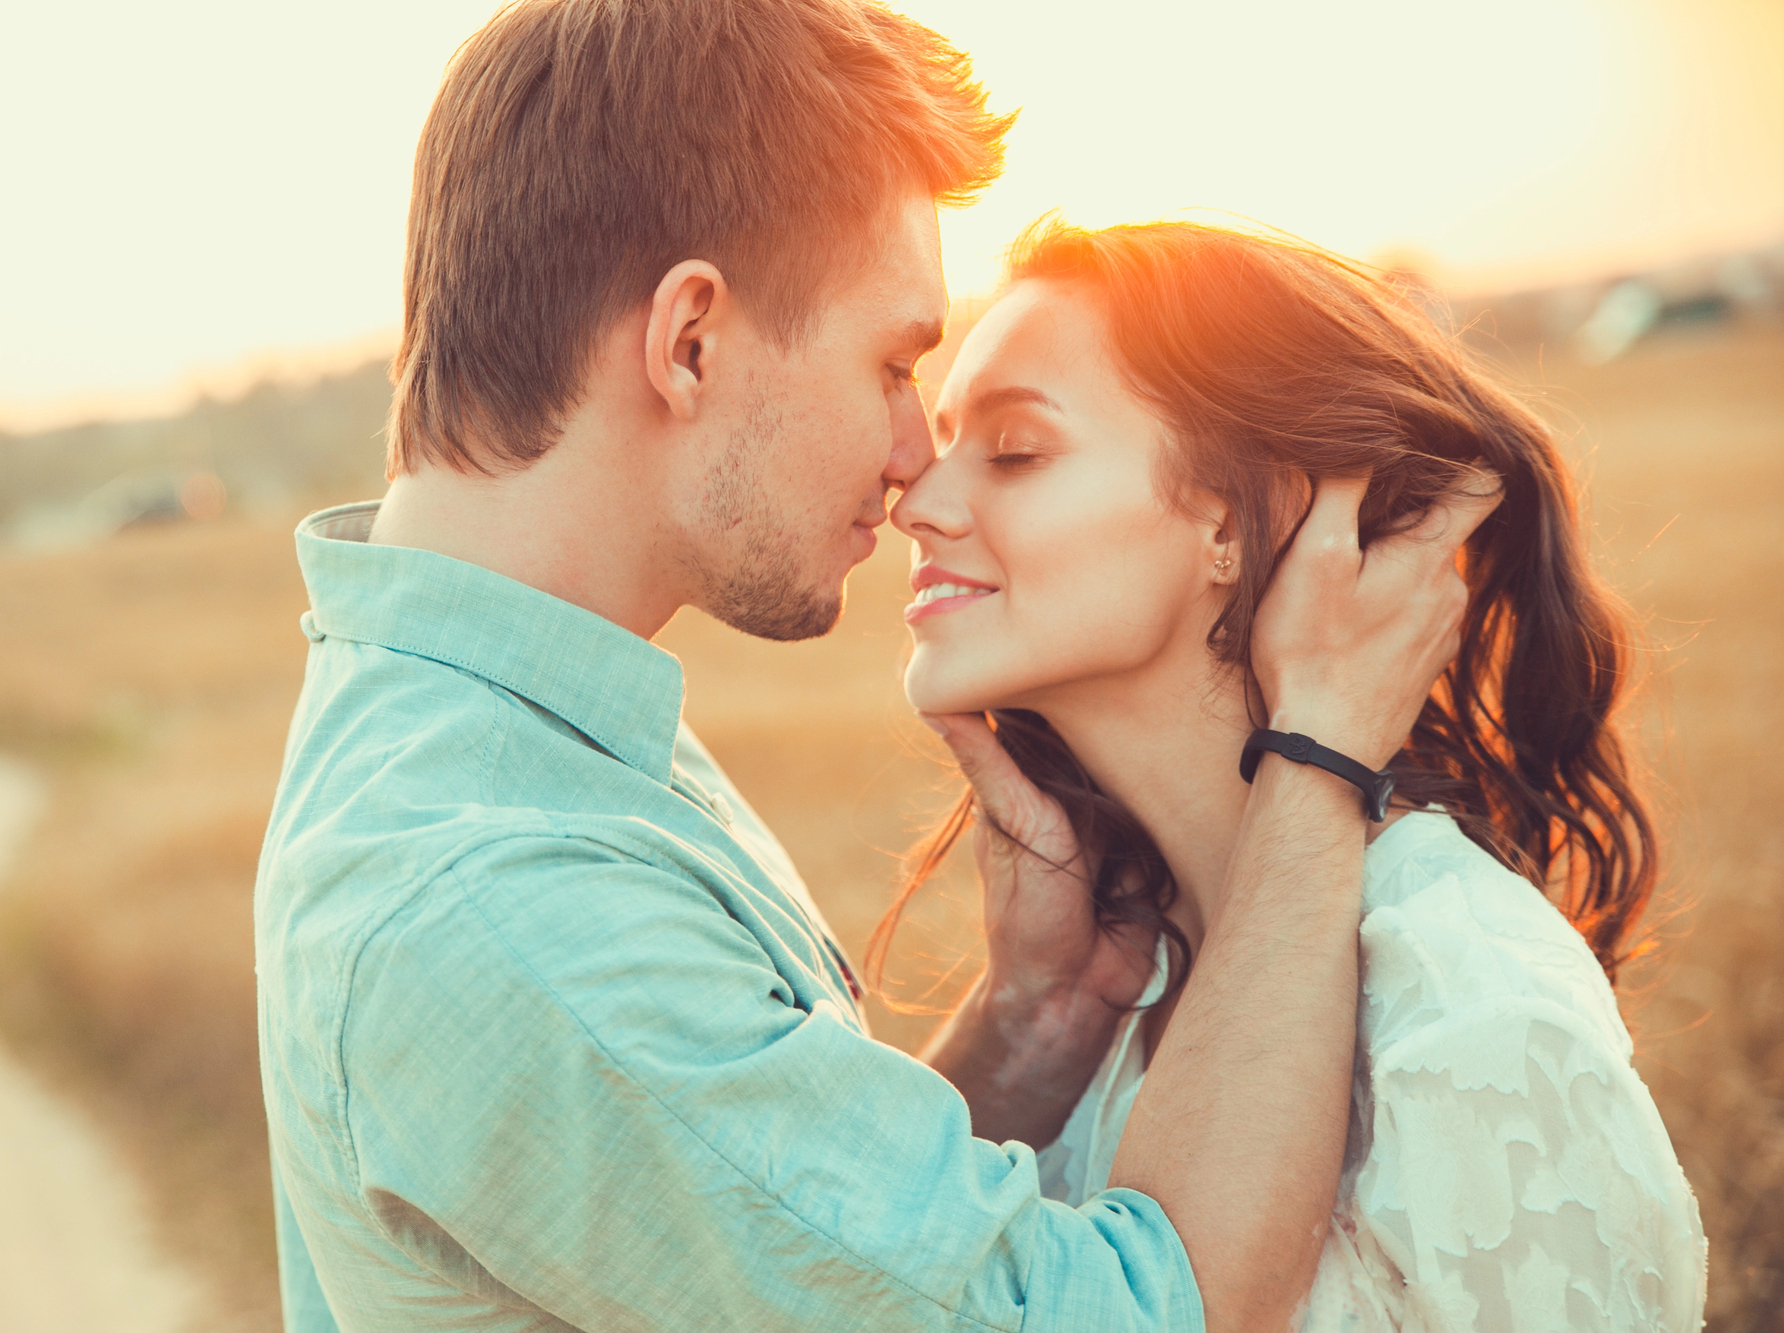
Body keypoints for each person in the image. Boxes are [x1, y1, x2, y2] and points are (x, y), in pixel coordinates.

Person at [254, 2, 1490, 1329]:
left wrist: (1035, 1018)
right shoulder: (499, 891)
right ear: (691, 343)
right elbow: (1135, 1314)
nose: (913, 456)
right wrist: (1320, 758)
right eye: (895, 363)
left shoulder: (499, 733)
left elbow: (749, 1251)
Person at [888, 218, 1709, 1332]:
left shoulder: (1465, 1005)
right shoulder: (1112, 990)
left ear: (1231, 516)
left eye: (1015, 449)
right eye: (941, 443)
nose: (917, 502)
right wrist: (1026, 1019)